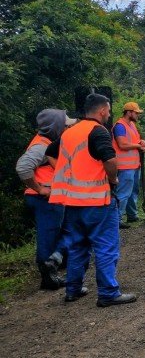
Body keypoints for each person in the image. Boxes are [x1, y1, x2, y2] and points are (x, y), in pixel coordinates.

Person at [49, 93, 137, 306]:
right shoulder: (98, 131)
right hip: (97, 202)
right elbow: (110, 159)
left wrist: (69, 177)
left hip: (72, 202)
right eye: (107, 109)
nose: (108, 113)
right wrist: (113, 178)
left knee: (78, 247)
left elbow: (50, 153)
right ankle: (108, 293)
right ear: (101, 110)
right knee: (106, 246)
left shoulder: (70, 133)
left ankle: (73, 289)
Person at [15, 109, 77, 290]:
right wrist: (40, 188)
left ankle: (54, 267)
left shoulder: (47, 142)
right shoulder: (42, 146)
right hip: (44, 199)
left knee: (61, 232)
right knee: (48, 237)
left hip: (49, 198)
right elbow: (23, 167)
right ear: (55, 126)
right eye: (64, 125)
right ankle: (48, 277)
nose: (67, 128)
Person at [112, 102, 145, 228]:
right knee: (123, 193)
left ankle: (132, 215)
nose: (138, 115)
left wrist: (141, 142)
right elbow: (122, 144)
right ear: (129, 112)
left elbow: (134, 141)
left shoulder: (131, 125)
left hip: (134, 165)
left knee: (133, 192)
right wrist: (138, 145)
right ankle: (117, 219)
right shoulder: (120, 126)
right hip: (124, 167)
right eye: (136, 113)